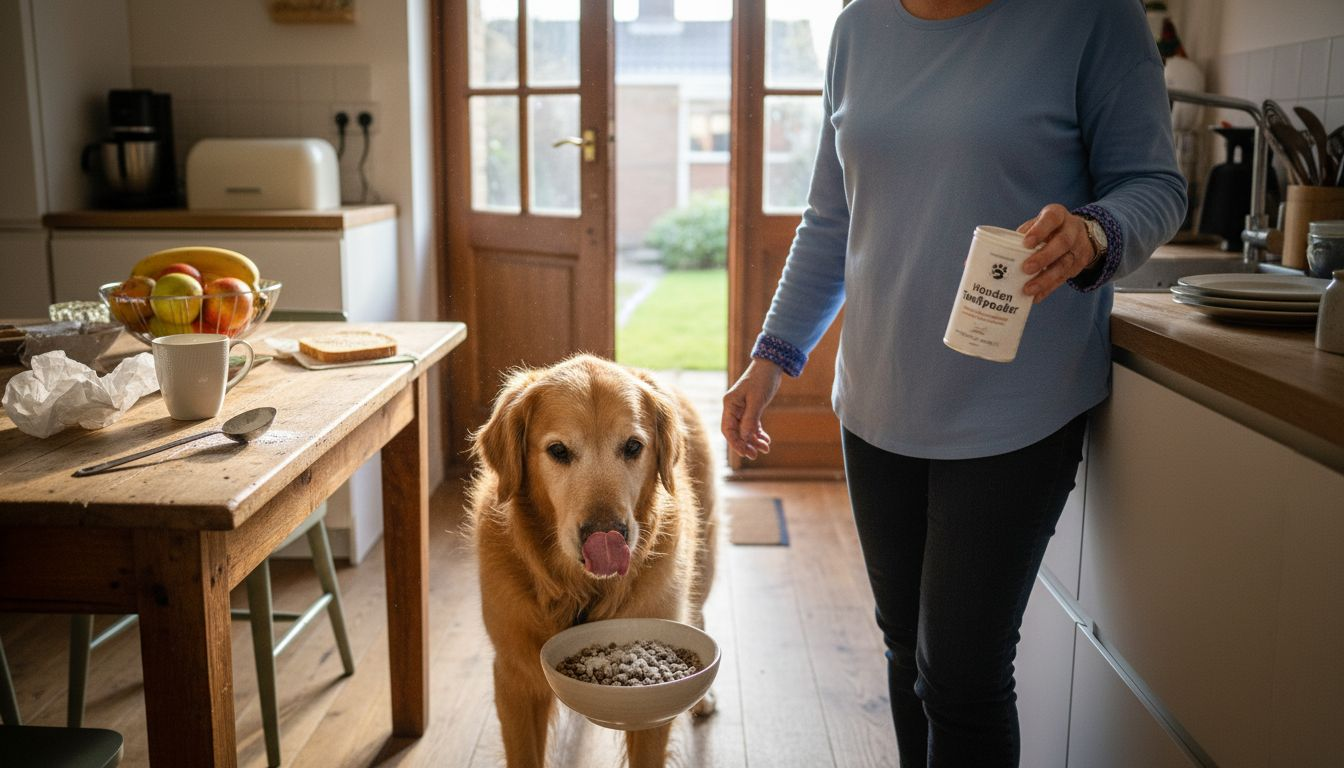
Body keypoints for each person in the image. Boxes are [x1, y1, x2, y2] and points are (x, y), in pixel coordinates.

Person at [720, 0, 1186, 765]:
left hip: (1017, 406)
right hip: (877, 398)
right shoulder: (858, 27)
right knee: (906, 651)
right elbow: (832, 219)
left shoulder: (1091, 16)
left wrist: (1095, 230)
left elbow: (1153, 183)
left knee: (961, 677)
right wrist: (772, 357)